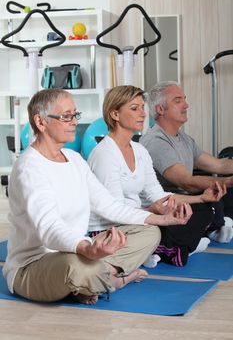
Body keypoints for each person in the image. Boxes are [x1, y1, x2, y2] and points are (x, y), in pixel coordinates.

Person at [3, 88, 192, 305]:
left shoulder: (74, 159)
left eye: (75, 115)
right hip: (34, 265)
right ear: (41, 122)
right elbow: (49, 229)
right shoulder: (29, 168)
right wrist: (88, 249)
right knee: (78, 266)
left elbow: (108, 205)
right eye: (66, 116)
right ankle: (114, 278)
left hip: (77, 251)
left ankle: (97, 280)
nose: (74, 121)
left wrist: (162, 219)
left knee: (149, 233)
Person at [88, 85, 225, 267]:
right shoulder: (105, 154)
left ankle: (163, 250)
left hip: (137, 219)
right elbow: (114, 212)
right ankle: (170, 249)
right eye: (134, 108)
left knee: (204, 210)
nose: (143, 114)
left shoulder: (139, 150)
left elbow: (158, 195)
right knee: (155, 230)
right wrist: (154, 213)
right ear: (115, 114)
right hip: (110, 228)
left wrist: (201, 198)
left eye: (142, 107)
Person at [140, 80, 233, 243]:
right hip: (168, 205)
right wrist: (228, 182)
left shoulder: (183, 138)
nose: (186, 105)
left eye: (184, 99)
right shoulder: (156, 141)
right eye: (178, 101)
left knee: (223, 195)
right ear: (160, 109)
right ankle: (211, 228)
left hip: (186, 199)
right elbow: (186, 182)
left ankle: (214, 225)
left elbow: (219, 165)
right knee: (208, 206)